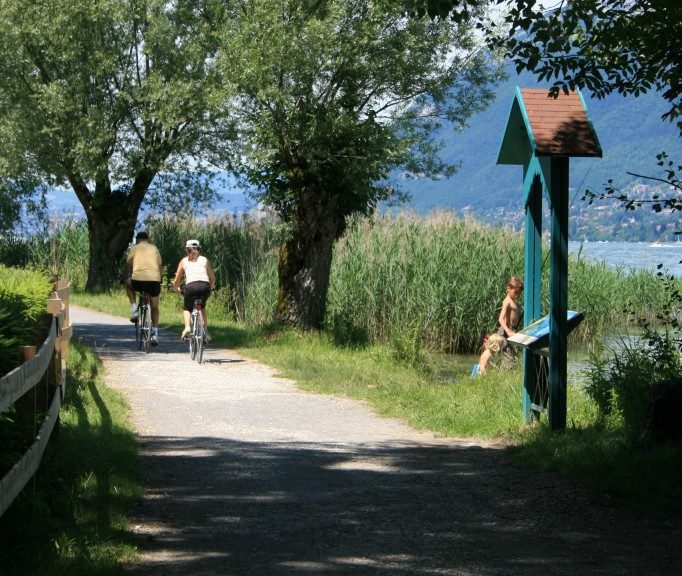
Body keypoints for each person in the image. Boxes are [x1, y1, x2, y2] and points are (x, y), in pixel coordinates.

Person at [477, 276, 523, 375]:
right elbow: (501, 319)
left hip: (509, 331)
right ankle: (482, 368)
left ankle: (496, 371)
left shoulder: (513, 300)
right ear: (508, 289)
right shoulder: (507, 301)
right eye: (515, 292)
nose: (517, 294)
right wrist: (508, 331)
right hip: (505, 332)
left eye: (519, 292)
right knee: (492, 350)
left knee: (501, 352)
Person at [172, 239, 217, 341]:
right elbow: (213, 278)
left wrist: (176, 288)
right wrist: (210, 288)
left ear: (187, 250)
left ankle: (188, 327)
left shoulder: (184, 261)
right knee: (202, 307)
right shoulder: (204, 260)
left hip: (191, 287)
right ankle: (205, 332)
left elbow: (177, 280)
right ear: (199, 249)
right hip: (204, 286)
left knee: (187, 308)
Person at [124, 231, 163, 346]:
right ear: (148, 239)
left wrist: (125, 277)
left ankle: (134, 309)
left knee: (128, 284)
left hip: (138, 281)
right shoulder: (155, 248)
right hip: (154, 282)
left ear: (138, 240)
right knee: (155, 307)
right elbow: (160, 266)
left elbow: (127, 265)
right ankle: (155, 333)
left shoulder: (135, 248)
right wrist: (159, 279)